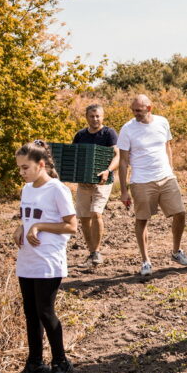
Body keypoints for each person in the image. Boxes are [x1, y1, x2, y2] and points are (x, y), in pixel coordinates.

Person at [12, 141, 78, 373]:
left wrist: (39, 226)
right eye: (19, 168)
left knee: (45, 312)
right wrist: (22, 227)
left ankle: (60, 362)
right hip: (28, 258)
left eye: (25, 167)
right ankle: (35, 363)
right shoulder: (27, 188)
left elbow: (71, 226)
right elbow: (28, 217)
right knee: (31, 313)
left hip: (48, 259)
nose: (22, 173)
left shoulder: (57, 189)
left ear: (41, 164)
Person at [118, 94, 187, 275]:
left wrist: (171, 170)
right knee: (142, 219)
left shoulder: (162, 122)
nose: (135, 113)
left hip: (166, 177)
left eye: (138, 110)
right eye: (133, 110)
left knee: (180, 213)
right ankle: (146, 261)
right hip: (141, 180)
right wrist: (124, 190)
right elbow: (123, 161)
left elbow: (167, 147)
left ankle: (176, 251)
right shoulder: (127, 129)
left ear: (149, 108)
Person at [72, 103, 119, 268]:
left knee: (96, 213)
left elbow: (117, 155)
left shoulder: (109, 133)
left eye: (98, 116)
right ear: (86, 117)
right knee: (84, 218)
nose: (95, 119)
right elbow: (75, 157)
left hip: (102, 182)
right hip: (84, 183)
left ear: (102, 117)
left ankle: (97, 252)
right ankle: (91, 253)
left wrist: (108, 171)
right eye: (92, 116)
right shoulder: (80, 135)